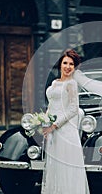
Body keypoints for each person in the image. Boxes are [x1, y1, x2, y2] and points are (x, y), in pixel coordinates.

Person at [41, 49, 90, 194]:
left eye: (71, 64)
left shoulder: (71, 84)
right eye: (65, 63)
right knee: (54, 166)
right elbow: (51, 105)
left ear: (74, 67)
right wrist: (45, 122)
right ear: (60, 64)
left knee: (66, 166)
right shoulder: (54, 82)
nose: (68, 66)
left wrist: (55, 125)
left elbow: (73, 109)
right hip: (53, 130)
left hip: (66, 130)